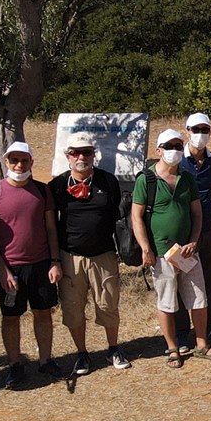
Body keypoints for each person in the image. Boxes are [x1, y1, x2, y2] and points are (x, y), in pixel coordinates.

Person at [134, 129, 211, 365]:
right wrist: (146, 248)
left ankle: (202, 344)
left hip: (187, 251)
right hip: (162, 252)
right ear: (158, 151)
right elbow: (136, 217)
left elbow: (197, 214)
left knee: (198, 297)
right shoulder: (147, 180)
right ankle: (172, 348)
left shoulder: (186, 179)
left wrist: (194, 241)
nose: (174, 150)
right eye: (169, 146)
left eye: (177, 145)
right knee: (166, 301)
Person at [0, 142, 62, 388]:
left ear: (31, 162)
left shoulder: (42, 191)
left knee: (43, 313)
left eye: (24, 160)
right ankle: (15, 364)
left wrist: (55, 261)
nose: (19, 165)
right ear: (6, 162)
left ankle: (45, 360)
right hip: (10, 269)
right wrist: (3, 270)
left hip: (41, 265)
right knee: (11, 317)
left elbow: (51, 228)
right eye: (14, 160)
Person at [48, 133, 129, 375]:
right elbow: (51, 225)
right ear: (67, 156)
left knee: (108, 305)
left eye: (86, 152)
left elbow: (119, 218)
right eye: (75, 152)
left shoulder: (108, 181)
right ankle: (82, 353)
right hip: (70, 257)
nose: (81, 157)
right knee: (73, 309)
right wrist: (54, 261)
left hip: (103, 255)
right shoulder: (57, 186)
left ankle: (113, 348)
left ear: (94, 154)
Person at [179, 112, 211, 341]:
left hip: (209, 227)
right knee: (181, 278)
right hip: (182, 230)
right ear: (187, 131)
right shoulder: (177, 160)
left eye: (204, 130)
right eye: (195, 130)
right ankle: (181, 331)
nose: (200, 134)